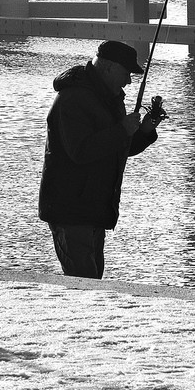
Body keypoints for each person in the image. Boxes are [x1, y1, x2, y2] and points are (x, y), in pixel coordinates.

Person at [38, 40, 164, 279]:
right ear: (108, 67)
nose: (128, 80)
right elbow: (81, 151)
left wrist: (144, 132)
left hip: (92, 208)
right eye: (126, 73)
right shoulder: (73, 99)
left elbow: (115, 148)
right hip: (71, 210)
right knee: (84, 282)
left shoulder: (108, 96)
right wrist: (121, 130)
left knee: (93, 283)